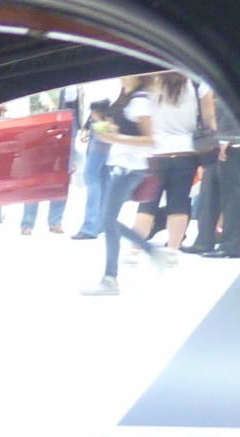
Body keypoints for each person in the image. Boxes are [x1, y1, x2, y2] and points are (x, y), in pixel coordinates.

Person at [82, 75, 156, 296]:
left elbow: (149, 139)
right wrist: (114, 134)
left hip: (130, 167)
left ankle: (111, 278)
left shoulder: (139, 101)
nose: (120, 79)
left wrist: (114, 139)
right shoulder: (131, 98)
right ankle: (113, 275)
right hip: (125, 166)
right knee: (108, 219)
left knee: (108, 219)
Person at [130, 72, 213, 264]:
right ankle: (172, 252)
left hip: (156, 153)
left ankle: (134, 252)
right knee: (179, 203)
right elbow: (209, 117)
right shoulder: (197, 83)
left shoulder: (151, 82)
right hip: (186, 151)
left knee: (147, 204)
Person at [185, 92, 240, 258]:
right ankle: (204, 240)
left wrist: (227, 138)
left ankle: (230, 245)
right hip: (217, 140)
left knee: (232, 195)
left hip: (233, 142)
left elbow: (236, 107)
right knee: (209, 191)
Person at [72, 99, 114, 239]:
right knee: (104, 180)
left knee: (91, 178)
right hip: (106, 151)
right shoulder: (108, 122)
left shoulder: (99, 125)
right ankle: (100, 224)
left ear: (95, 112)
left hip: (98, 149)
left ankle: (89, 227)